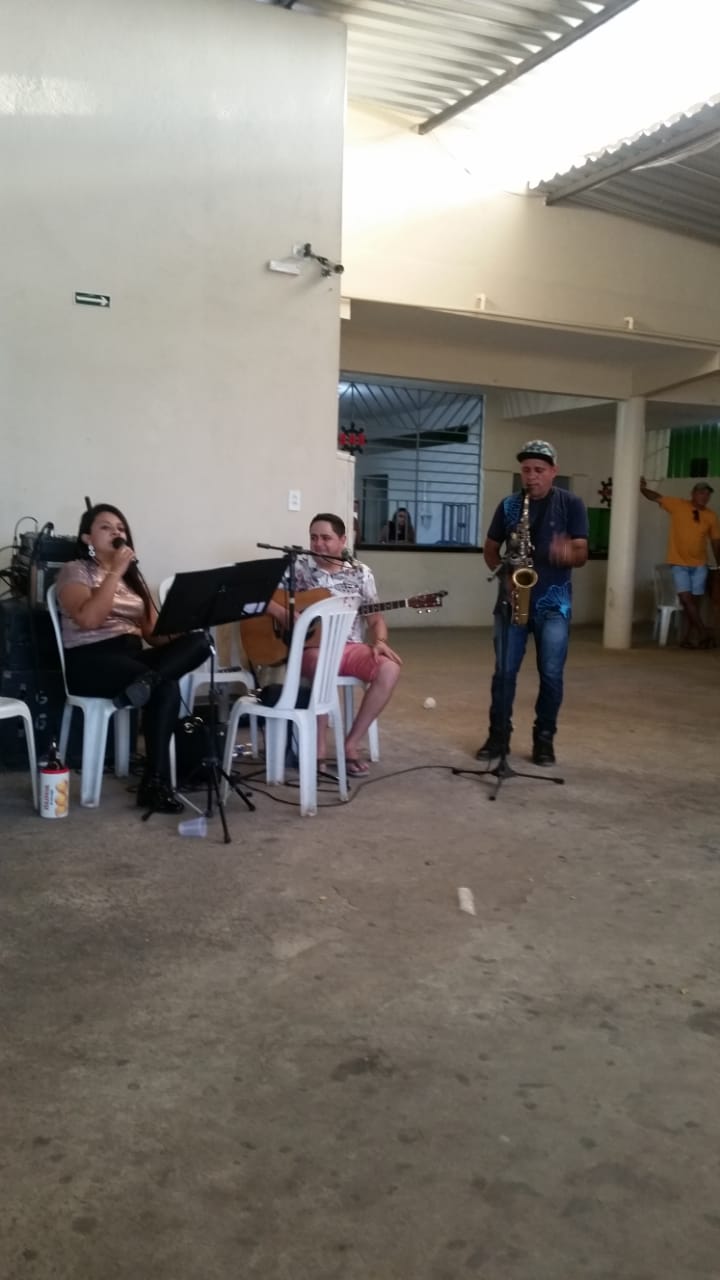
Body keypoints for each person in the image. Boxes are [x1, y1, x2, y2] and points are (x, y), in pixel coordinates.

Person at [56, 503, 210, 814]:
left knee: (200, 642)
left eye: (121, 528)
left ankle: (147, 682)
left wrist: (186, 626)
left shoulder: (132, 578)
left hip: (131, 657)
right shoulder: (75, 570)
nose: (116, 532)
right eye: (106, 527)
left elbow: (152, 634)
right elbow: (89, 619)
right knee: (167, 687)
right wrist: (114, 571)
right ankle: (155, 783)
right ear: (87, 538)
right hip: (91, 659)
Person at [476, 441, 588, 766]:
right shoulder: (510, 505)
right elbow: (490, 548)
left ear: (553, 471)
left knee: (551, 675)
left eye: (539, 470)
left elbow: (582, 552)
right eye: (526, 470)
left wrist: (569, 553)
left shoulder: (571, 504)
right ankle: (498, 737)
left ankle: (544, 740)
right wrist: (503, 576)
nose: (532, 476)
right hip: (511, 602)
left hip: (554, 606)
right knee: (504, 673)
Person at [269, 513, 402, 774]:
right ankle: (318, 747)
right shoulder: (297, 567)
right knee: (323, 662)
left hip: (350, 646)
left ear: (342, 540)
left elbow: (376, 618)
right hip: (311, 649)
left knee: (390, 668)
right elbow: (259, 597)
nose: (318, 544)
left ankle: (350, 744)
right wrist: (282, 613)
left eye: (326, 538)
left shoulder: (361, 573)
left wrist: (380, 640)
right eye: (313, 537)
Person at [640, 477, 720, 648]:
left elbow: (715, 542)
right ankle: (704, 633)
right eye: (701, 493)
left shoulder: (711, 516)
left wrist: (719, 564)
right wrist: (642, 489)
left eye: (707, 494)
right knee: (686, 599)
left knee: (694, 604)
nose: (704, 496)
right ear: (693, 494)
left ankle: (688, 639)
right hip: (679, 563)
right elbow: (656, 497)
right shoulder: (678, 505)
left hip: (700, 565)